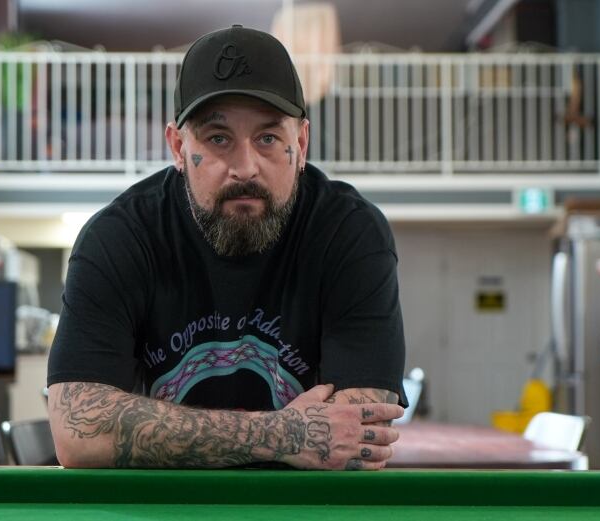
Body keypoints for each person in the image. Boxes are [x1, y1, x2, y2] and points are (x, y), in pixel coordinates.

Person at [48, 25, 407, 470]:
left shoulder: (350, 233)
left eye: (268, 138)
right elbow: (77, 435)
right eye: (218, 139)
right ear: (179, 147)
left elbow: (361, 440)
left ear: (301, 143)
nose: (245, 167)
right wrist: (284, 434)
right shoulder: (120, 237)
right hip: (162, 510)